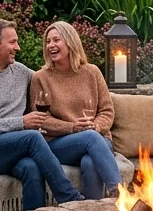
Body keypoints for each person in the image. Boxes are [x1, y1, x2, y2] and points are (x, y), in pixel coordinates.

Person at [0, 19, 84, 210]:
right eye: (12, 42)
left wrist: (81, 79)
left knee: (31, 168)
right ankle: (69, 198)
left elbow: (51, 81)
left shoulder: (21, 72)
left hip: (12, 148)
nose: (18, 47)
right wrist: (22, 122)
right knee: (32, 137)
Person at [30, 21, 121, 199]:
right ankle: (121, 194)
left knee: (90, 162)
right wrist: (73, 127)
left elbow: (107, 111)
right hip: (60, 144)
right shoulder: (40, 78)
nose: (51, 45)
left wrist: (95, 126)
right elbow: (42, 120)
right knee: (90, 138)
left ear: (70, 42)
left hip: (98, 139)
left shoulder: (92, 72)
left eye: (56, 40)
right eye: (48, 42)